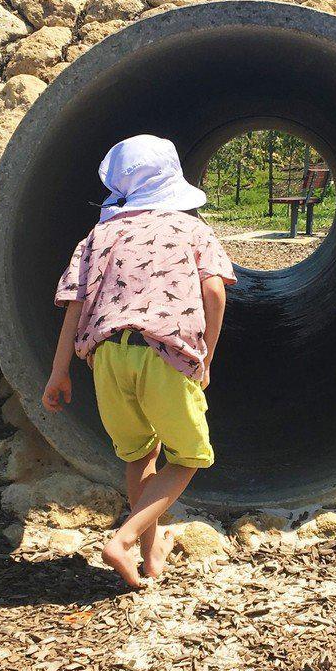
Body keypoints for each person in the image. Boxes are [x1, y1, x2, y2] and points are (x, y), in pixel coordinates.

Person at [42, 135, 235, 588]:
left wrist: (58, 371)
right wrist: (205, 355)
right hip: (164, 352)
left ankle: (151, 559)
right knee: (189, 457)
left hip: (106, 356)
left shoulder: (101, 233)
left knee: (139, 454)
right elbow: (214, 292)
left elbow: (75, 302)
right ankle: (123, 541)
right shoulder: (190, 228)